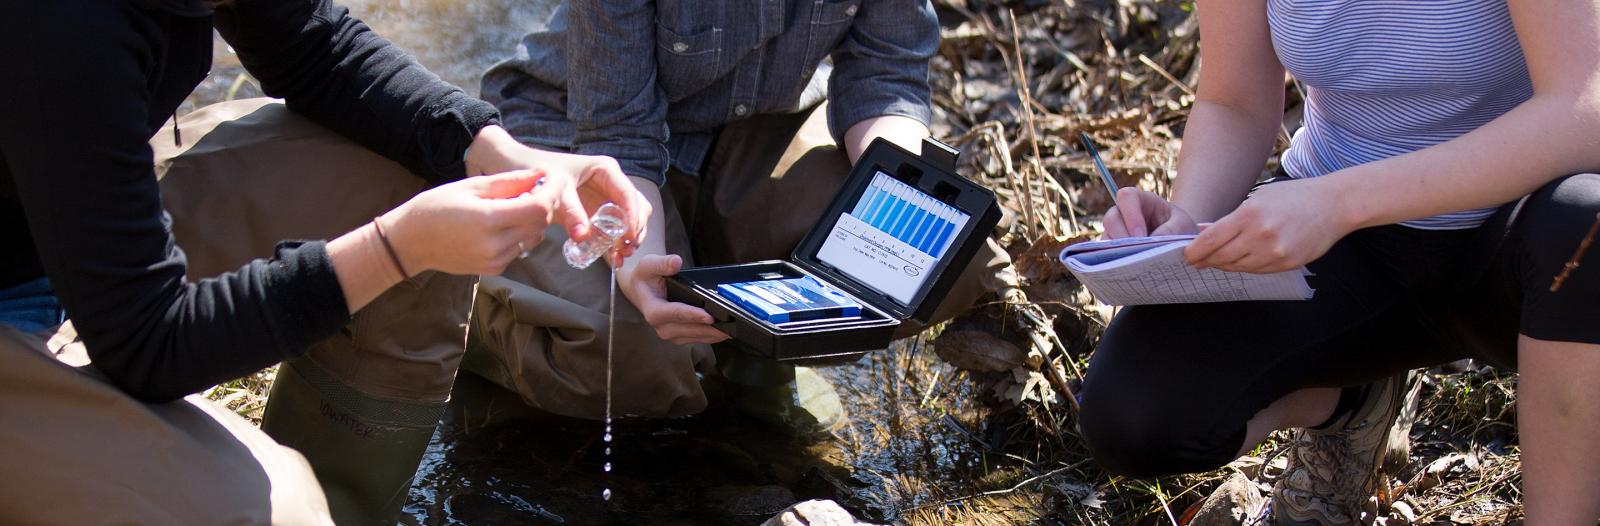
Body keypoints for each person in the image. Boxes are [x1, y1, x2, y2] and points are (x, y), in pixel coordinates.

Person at [0, 0, 649, 524]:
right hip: (48, 290)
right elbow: (148, 344)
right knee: (271, 510)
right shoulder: (57, 28)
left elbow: (313, 46)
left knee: (421, 172)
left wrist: (492, 149)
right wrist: (398, 248)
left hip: (66, 208)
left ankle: (348, 508)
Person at [1074, 0, 1600, 524]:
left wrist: (1338, 203)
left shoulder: (1338, 205)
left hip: (1523, 237)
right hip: (1345, 245)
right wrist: (1187, 222)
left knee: (1587, 224)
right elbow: (1234, 101)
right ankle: (1353, 404)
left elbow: (1585, 110)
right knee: (1134, 414)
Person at [471, 0, 1016, 428]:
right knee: (629, 362)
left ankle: (750, 350)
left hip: (752, 133)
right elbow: (620, 137)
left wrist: (901, 187)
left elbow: (885, 78)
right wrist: (641, 267)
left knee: (952, 261)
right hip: (575, 142)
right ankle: (471, 306)